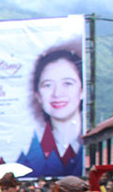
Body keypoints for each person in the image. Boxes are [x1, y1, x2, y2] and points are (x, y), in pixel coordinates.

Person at [27, 42, 84, 176]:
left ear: (82, 90)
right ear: (38, 95)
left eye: (67, 83)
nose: (57, 93)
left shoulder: (86, 148)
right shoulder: (34, 153)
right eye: (47, 85)